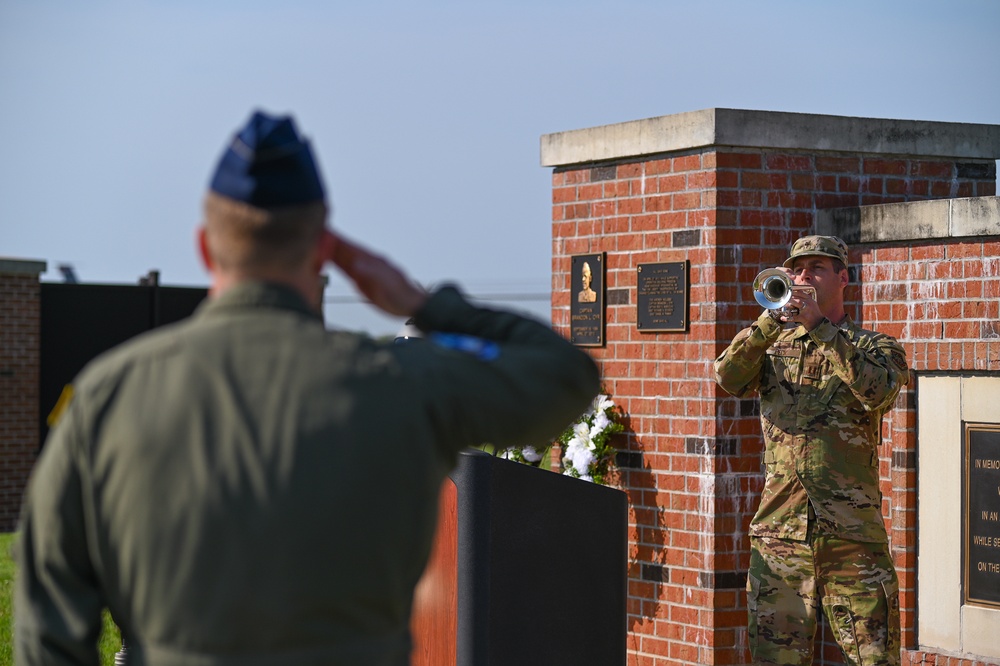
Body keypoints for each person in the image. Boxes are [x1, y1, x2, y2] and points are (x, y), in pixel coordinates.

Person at [15, 111, 600, 666]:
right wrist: (424, 303)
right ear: (324, 250)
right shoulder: (399, 385)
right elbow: (565, 378)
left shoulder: (109, 398)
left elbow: (47, 631)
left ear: (203, 247)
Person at [714, 235, 909, 666]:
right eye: (797, 270)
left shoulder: (875, 347)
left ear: (842, 278)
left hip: (852, 538)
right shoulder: (771, 346)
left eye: (816, 268)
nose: (803, 277)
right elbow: (727, 377)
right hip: (781, 536)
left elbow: (878, 392)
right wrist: (769, 321)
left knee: (874, 659)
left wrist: (821, 326)